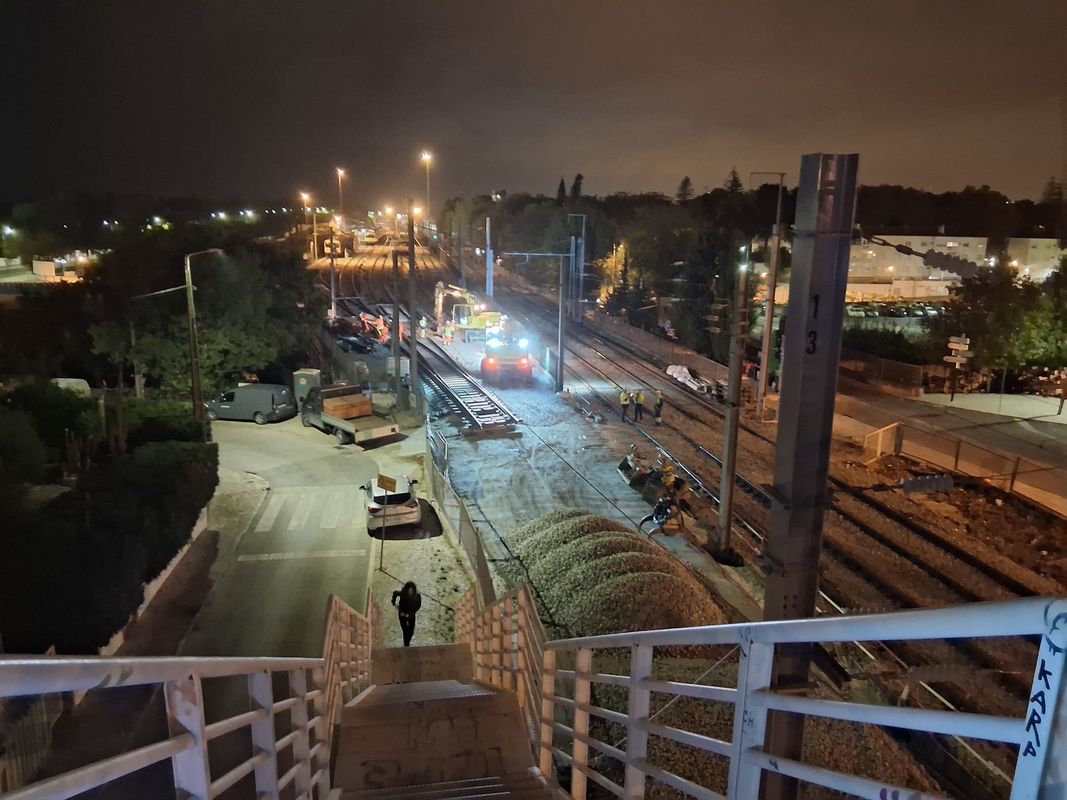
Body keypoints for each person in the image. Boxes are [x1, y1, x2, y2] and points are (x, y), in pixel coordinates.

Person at [391, 581, 422, 646]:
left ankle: (407, 642)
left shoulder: (417, 596)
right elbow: (395, 593)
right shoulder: (402, 594)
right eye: (409, 590)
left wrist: (411, 613)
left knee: (411, 631)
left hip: (411, 615)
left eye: (411, 591)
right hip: (402, 614)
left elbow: (418, 606)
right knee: (405, 630)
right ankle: (406, 644)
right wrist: (394, 602)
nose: (410, 592)